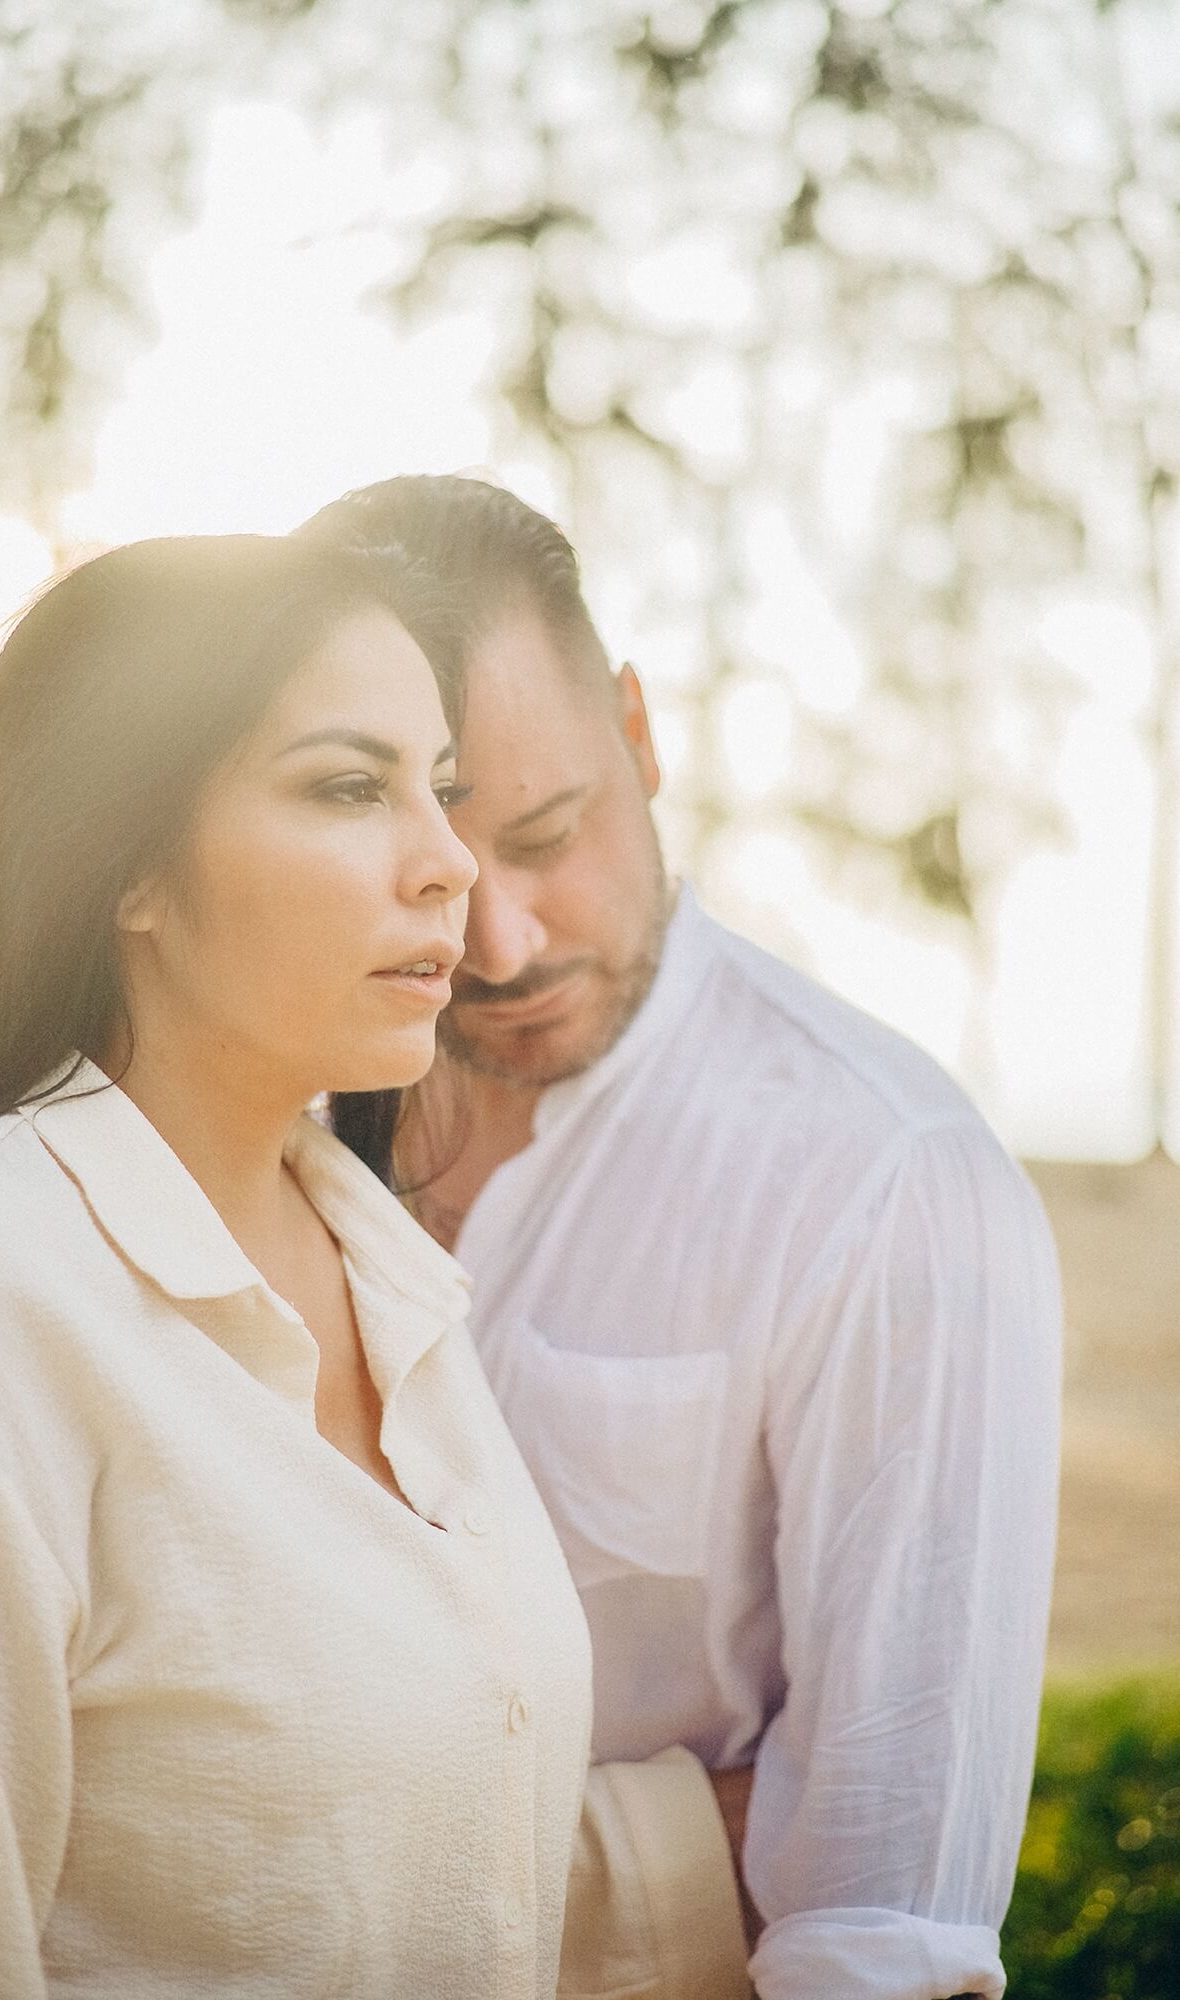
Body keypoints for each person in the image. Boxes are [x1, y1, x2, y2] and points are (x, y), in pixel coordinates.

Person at [307, 474, 1064, 2000]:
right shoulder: (272, 1111)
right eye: (440, 865)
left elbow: (878, 1920)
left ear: (640, 739)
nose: (500, 944)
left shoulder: (887, 1182)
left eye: (549, 831)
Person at [0, 531, 597, 1997]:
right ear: (123, 859)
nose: (448, 862)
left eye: (435, 788)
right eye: (346, 786)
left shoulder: (396, 1275)